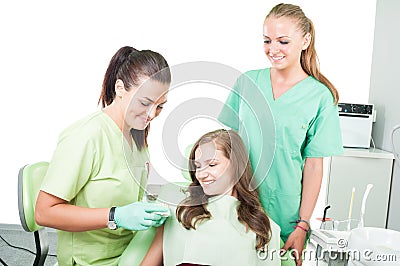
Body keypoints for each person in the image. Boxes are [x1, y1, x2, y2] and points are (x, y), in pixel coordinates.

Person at [218, 3, 343, 265]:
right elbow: (226, 145)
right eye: (267, 40)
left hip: (285, 216)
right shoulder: (247, 81)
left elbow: (313, 167)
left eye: (283, 41)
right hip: (238, 207)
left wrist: (302, 226)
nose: (273, 49)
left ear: (305, 40)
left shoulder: (320, 96)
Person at [34, 46, 172, 265]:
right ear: (120, 88)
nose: (152, 114)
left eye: (160, 106)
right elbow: (43, 213)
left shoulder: (136, 136)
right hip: (91, 260)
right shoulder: (86, 136)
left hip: (128, 248)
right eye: (145, 103)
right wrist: (114, 216)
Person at [140, 129, 281, 266]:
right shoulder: (180, 212)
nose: (201, 175)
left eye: (212, 164)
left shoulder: (264, 228)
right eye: (198, 167)